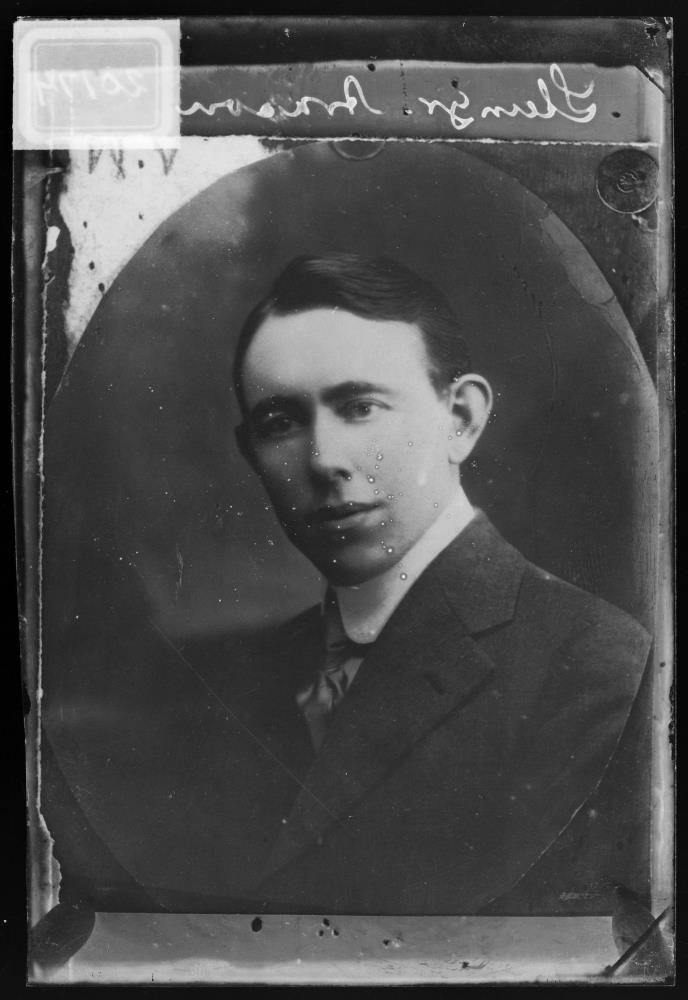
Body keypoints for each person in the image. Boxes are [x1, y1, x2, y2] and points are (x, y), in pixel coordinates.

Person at [40, 252, 652, 919]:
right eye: (280, 423)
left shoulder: (597, 667)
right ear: (251, 454)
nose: (323, 460)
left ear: (461, 419)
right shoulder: (230, 684)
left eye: (360, 407)